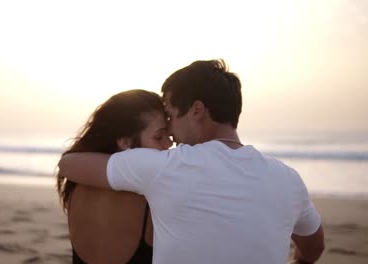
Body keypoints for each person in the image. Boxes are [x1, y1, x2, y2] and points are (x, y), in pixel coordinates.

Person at [58, 59, 325, 264]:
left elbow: (69, 163)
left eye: (171, 116)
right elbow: (314, 248)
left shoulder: (167, 167)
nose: (171, 134)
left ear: (196, 110)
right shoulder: (289, 179)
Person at [56, 89, 172, 263]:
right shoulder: (150, 197)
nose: (169, 143)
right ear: (125, 142)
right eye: (159, 136)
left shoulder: (76, 185)